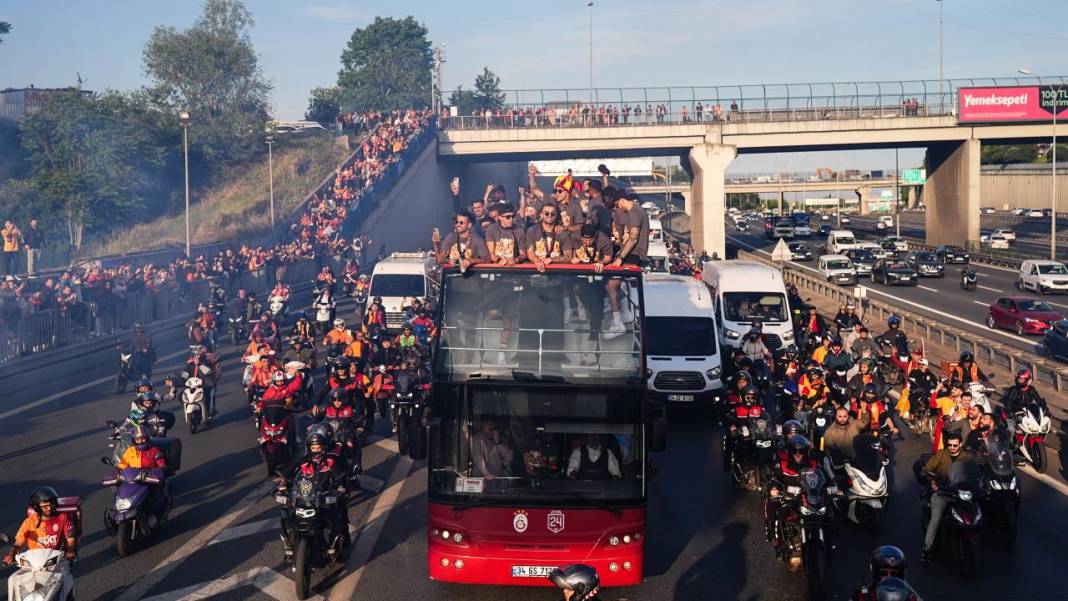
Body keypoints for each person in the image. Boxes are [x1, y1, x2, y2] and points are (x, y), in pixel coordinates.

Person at [3, 487, 78, 601]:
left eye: (51, 504)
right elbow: (17, 543)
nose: (49, 508)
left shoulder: (62, 517)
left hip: (56, 561)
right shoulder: (29, 522)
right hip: (33, 564)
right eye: (45, 505)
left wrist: (70, 550)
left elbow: (70, 539)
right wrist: (11, 555)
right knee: (12, 579)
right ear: (37, 507)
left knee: (67, 579)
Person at [918, 430, 977, 563]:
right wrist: (932, 481)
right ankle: (927, 548)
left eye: (955, 445)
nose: (952, 448)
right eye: (949, 445)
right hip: (944, 492)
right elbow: (927, 469)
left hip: (962, 492)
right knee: (936, 515)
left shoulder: (967, 457)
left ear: (960, 445)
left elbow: (978, 467)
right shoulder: (941, 455)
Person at [850, 546, 920, 601]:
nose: (889, 577)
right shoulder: (861, 596)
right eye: (883, 573)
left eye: (894, 574)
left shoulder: (909, 598)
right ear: (876, 573)